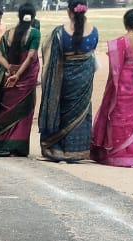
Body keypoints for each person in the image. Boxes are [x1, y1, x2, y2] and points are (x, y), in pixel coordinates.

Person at [38, 0, 98, 162]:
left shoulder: (60, 32)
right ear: (85, 10)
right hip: (84, 78)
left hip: (64, 78)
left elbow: (48, 52)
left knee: (62, 109)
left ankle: (57, 147)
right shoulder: (94, 31)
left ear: (69, 11)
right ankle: (76, 150)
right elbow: (92, 51)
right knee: (81, 111)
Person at [90, 9, 133, 166]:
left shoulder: (122, 42)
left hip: (124, 83)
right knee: (132, 118)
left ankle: (116, 154)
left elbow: (115, 68)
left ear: (125, 24)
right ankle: (130, 154)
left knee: (118, 116)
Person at [0, 3, 41, 156]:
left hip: (9, 77)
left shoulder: (8, 33)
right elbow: (30, 57)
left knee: (5, 110)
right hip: (25, 78)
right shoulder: (34, 33)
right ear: (33, 17)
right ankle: (17, 148)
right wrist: (18, 75)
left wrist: (10, 69)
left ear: (19, 16)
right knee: (24, 111)